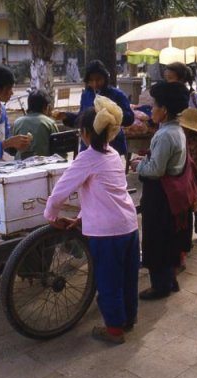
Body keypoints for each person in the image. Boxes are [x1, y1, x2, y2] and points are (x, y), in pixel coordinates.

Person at [44, 96, 139, 344]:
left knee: (108, 281)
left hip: (107, 233)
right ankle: (127, 320)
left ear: (85, 133)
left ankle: (114, 331)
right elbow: (106, 193)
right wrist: (82, 217)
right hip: (128, 225)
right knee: (127, 277)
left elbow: (60, 192)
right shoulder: (113, 154)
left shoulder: (86, 158)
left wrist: (51, 216)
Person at [130, 82, 196, 300]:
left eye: (154, 105)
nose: (151, 110)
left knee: (157, 241)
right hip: (171, 196)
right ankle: (170, 280)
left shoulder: (166, 134)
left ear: (164, 109)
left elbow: (156, 170)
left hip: (160, 196)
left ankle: (160, 286)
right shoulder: (176, 130)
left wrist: (138, 165)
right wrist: (146, 159)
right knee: (169, 240)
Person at [164, 62, 197, 245]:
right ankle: (184, 236)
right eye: (166, 79)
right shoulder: (167, 99)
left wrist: (192, 127)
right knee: (184, 192)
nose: (168, 82)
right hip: (181, 152)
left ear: (183, 79)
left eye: (171, 79)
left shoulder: (196, 98)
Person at [53, 60, 134, 155]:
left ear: (105, 78)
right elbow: (82, 119)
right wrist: (66, 116)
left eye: (98, 79)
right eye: (91, 81)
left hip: (112, 145)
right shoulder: (86, 95)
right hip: (88, 146)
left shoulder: (117, 95)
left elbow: (130, 118)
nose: (95, 84)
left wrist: (113, 114)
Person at [12, 90, 59, 158]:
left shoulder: (17, 122)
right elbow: (57, 147)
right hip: (44, 163)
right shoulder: (49, 123)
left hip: (21, 164)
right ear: (46, 107)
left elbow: (13, 147)